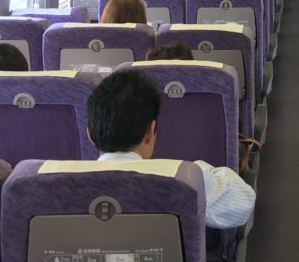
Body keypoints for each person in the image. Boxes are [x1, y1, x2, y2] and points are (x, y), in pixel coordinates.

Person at [87, 70, 255, 229]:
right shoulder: (183, 182)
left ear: (90, 135)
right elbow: (243, 202)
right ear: (150, 131)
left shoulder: (63, 183)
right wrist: (198, 169)